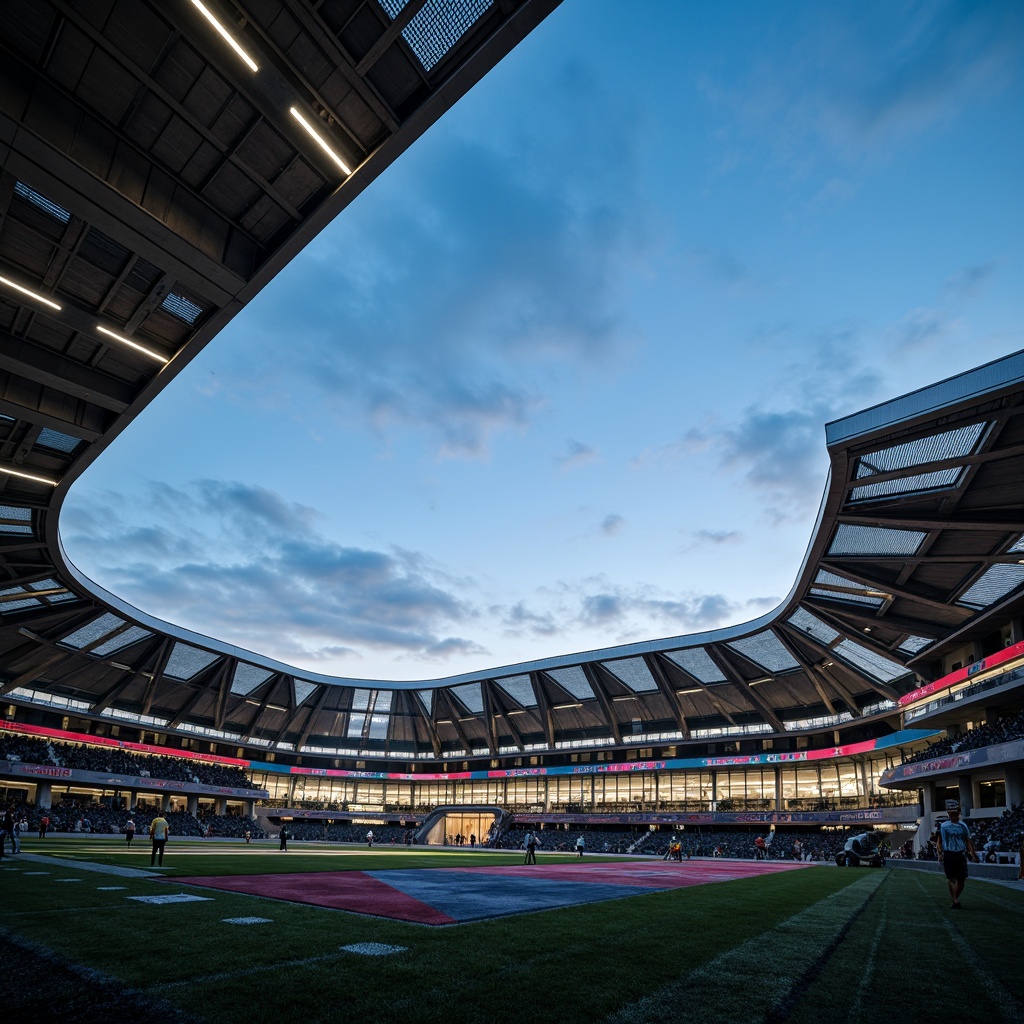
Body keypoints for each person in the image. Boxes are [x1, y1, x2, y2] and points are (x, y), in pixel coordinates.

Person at [936, 800, 978, 909]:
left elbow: (968, 840)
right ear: (948, 814)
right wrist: (940, 853)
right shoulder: (944, 826)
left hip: (960, 854)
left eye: (955, 813)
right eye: (951, 813)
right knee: (951, 878)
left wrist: (972, 853)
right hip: (949, 854)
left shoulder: (963, 826)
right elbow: (940, 841)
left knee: (962, 879)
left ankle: (955, 897)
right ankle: (955, 901)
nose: (953, 815)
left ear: (958, 813)